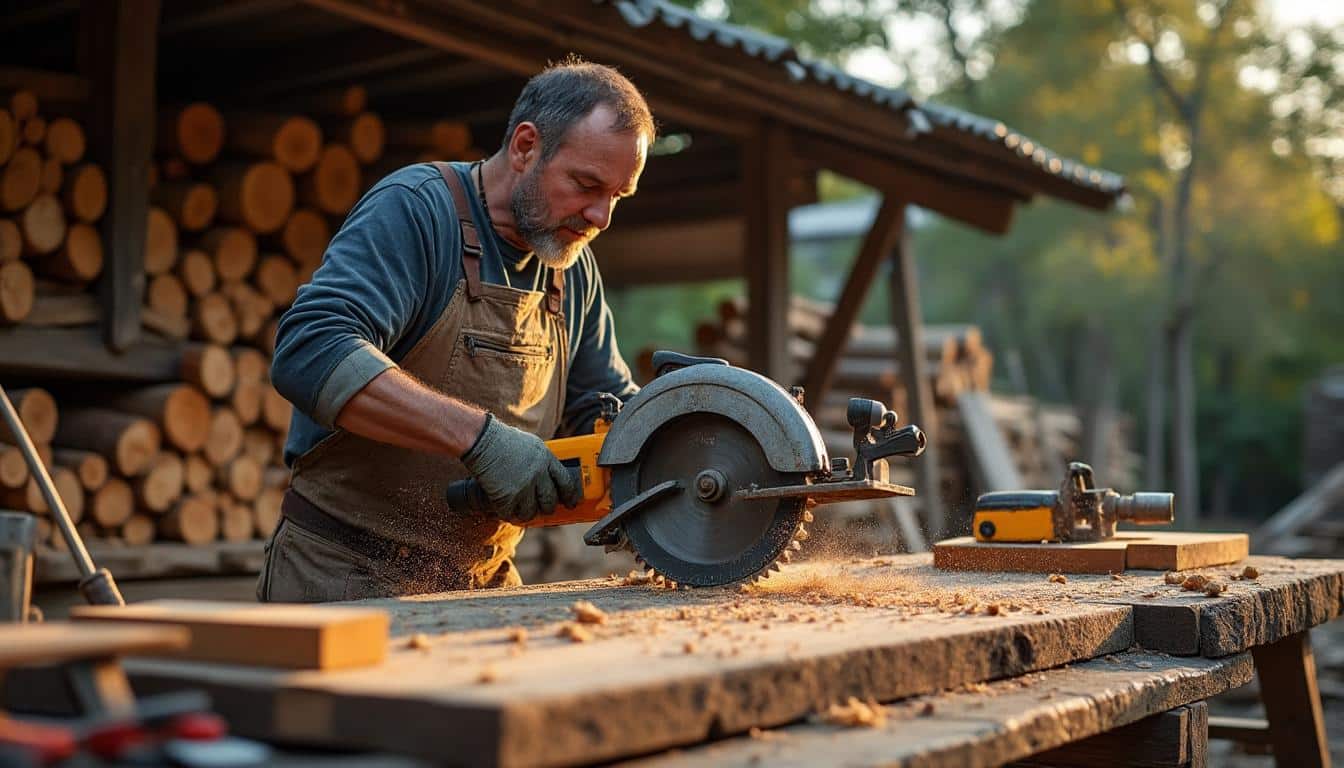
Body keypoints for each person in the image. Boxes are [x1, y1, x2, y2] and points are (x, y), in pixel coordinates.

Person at [257, 59, 653, 602]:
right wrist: (478, 439)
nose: (601, 216)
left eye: (617, 196)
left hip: (481, 581)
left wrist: (672, 445)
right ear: (525, 147)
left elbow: (598, 406)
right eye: (587, 184)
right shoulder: (418, 211)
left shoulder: (572, 264)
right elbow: (311, 348)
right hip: (344, 574)